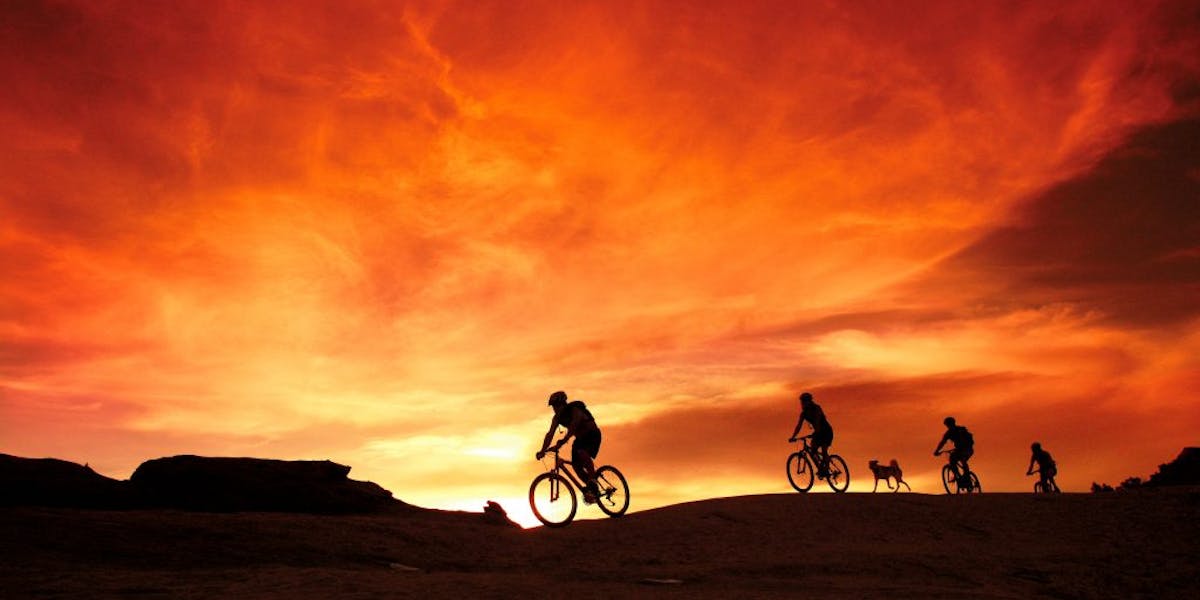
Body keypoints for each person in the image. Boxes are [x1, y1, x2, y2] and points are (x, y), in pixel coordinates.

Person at [536, 391, 602, 503]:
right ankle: (592, 490)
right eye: (553, 407)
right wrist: (542, 450)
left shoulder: (574, 409)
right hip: (580, 439)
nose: (555, 409)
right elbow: (550, 434)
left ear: (563, 403)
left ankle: (593, 481)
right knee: (576, 466)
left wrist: (563, 440)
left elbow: (574, 425)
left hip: (592, 434)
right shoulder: (556, 418)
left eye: (556, 406)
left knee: (582, 452)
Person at [788, 392, 834, 477]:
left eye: (804, 402)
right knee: (812, 451)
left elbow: (817, 421)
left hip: (826, 431)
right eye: (802, 402)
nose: (803, 404)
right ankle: (821, 468)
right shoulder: (803, 414)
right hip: (818, 432)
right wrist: (793, 437)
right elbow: (798, 426)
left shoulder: (816, 408)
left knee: (824, 450)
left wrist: (815, 433)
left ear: (809, 401)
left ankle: (826, 469)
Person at [933, 416, 975, 489]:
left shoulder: (958, 430)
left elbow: (942, 442)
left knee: (963, 460)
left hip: (967, 449)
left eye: (947, 424)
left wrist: (937, 451)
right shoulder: (955, 431)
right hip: (962, 449)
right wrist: (937, 450)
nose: (948, 426)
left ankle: (967, 478)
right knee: (952, 460)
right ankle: (960, 478)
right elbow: (942, 442)